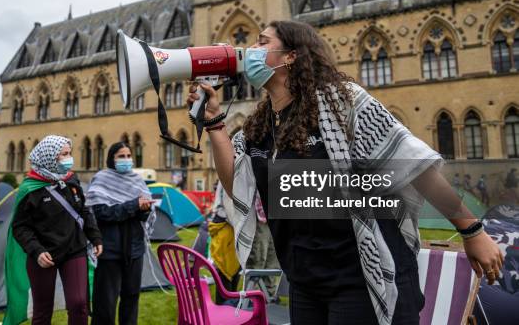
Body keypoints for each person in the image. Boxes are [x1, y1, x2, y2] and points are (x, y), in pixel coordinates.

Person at [188, 20, 504, 325]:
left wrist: (472, 231)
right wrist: (214, 122)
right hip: (304, 280)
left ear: (291, 56)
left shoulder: (344, 103)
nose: (250, 50)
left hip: (360, 276)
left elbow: (413, 164)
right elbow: (238, 187)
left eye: (262, 42)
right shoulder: (260, 126)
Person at [6, 135, 103, 325]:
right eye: (64, 154)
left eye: (69, 153)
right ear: (50, 158)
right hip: (43, 255)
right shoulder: (30, 188)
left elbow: (83, 210)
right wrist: (36, 250)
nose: (69, 158)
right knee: (42, 310)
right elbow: (20, 227)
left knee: (79, 303)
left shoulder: (71, 180)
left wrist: (95, 237)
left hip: (74, 249)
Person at [85, 142, 155, 325]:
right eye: (121, 156)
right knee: (105, 301)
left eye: (128, 156)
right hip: (110, 249)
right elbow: (103, 213)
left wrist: (145, 209)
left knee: (131, 297)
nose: (126, 160)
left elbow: (141, 215)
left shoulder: (137, 180)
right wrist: (133, 205)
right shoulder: (101, 179)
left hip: (134, 248)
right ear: (111, 159)